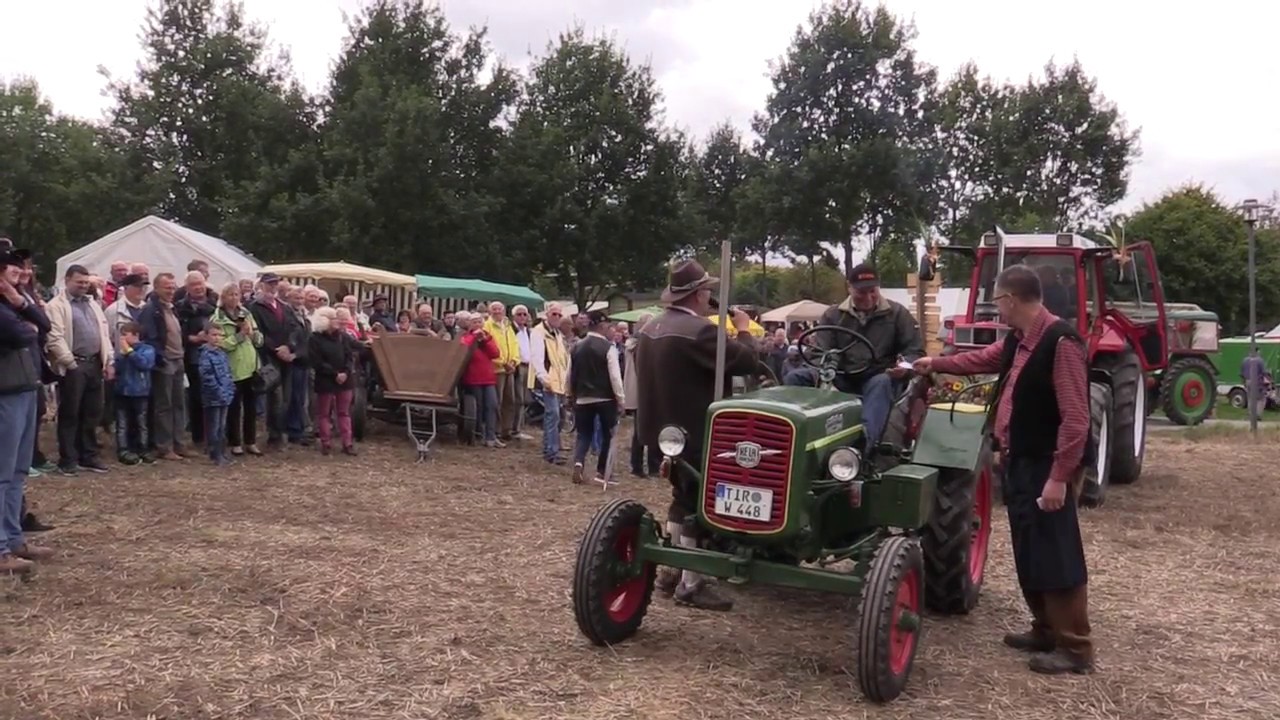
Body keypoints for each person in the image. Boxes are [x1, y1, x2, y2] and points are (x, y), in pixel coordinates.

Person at [913, 264, 1093, 676]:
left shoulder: (1060, 342)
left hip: (1048, 463)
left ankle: (1076, 647)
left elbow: (1077, 419)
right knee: (1030, 550)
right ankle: (1046, 629)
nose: (998, 311)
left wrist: (1059, 478)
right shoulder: (1018, 341)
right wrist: (935, 363)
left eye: (998, 302)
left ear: (1011, 299)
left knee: (1057, 552)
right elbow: (983, 358)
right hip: (1021, 458)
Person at [636, 260, 760, 611]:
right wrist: (744, 328)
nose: (710, 297)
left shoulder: (651, 327)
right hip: (696, 430)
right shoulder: (702, 332)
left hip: (659, 430)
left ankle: (672, 571)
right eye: (707, 291)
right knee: (697, 506)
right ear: (698, 294)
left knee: (682, 497)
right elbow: (748, 361)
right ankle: (691, 583)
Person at [786, 264, 922, 455]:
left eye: (872, 291)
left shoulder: (897, 314)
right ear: (849, 287)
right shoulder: (833, 315)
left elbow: (914, 350)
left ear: (878, 287)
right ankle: (795, 435)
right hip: (840, 376)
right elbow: (819, 352)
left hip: (878, 376)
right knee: (796, 377)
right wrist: (823, 371)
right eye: (861, 292)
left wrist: (904, 366)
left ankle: (864, 445)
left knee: (881, 382)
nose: (868, 298)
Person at [0, 247, 54, 574]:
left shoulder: (13, 304)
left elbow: (42, 325)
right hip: (5, 394)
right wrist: (26, 321)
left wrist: (21, 302)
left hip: (23, 389)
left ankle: (15, 538)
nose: (19, 274)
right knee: (2, 476)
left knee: (18, 473)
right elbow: (23, 334)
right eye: (11, 270)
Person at [46, 264, 114, 475]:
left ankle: (89, 454)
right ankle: (68, 458)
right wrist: (69, 362)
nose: (84, 286)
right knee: (70, 412)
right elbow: (55, 336)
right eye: (79, 282)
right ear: (67, 281)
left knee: (92, 411)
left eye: (86, 283)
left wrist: (108, 360)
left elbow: (104, 333)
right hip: (74, 364)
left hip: (94, 362)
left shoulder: (92, 304)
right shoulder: (56, 306)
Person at [567, 310, 625, 485]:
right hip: (605, 398)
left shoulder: (576, 346)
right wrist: (621, 399)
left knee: (583, 434)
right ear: (602, 326)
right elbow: (615, 376)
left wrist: (570, 394)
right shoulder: (608, 348)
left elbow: (569, 374)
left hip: (582, 397)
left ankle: (578, 462)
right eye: (608, 325)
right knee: (608, 435)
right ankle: (602, 471)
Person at [139, 273, 188, 461]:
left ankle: (179, 443)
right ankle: (164, 446)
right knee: (164, 405)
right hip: (165, 361)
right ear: (157, 288)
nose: (171, 291)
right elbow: (149, 337)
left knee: (179, 404)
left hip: (178, 359)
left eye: (173, 287)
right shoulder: (151, 310)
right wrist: (160, 357)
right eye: (167, 287)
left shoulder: (172, 308)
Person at [212, 282, 263, 457]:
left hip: (250, 366)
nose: (234, 298)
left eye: (236, 294)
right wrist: (239, 337)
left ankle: (251, 441)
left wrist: (254, 335)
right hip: (232, 368)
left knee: (251, 407)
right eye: (230, 294)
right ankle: (235, 442)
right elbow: (219, 343)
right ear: (223, 297)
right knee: (234, 408)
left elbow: (258, 337)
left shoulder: (246, 313)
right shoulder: (217, 318)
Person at [249, 273, 296, 449]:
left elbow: (293, 328)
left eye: (275, 284)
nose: (273, 287)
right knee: (275, 397)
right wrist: (276, 349)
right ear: (262, 285)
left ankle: (279, 432)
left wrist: (288, 346)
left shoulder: (284, 307)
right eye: (269, 284)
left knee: (285, 398)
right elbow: (258, 332)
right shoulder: (255, 307)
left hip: (286, 357)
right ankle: (274, 435)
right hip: (268, 357)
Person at [308, 307, 359, 456]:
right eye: (333, 318)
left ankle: (347, 443)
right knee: (324, 413)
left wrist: (346, 372)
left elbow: (350, 356)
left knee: (344, 412)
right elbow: (316, 361)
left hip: (345, 380)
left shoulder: (342, 337)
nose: (337, 321)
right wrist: (334, 373)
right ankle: (326, 443)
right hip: (326, 380)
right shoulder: (315, 338)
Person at [528, 303, 571, 464]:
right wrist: (545, 380)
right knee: (552, 415)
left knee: (559, 417)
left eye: (560, 315)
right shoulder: (538, 333)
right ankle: (550, 451)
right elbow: (537, 359)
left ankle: (553, 447)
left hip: (559, 382)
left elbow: (562, 359)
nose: (557, 317)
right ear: (547, 314)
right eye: (554, 314)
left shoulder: (557, 334)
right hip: (547, 382)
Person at [177, 271, 216, 446]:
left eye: (201, 283)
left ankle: (215, 433)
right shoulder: (179, 307)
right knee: (196, 396)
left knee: (215, 394)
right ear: (187, 288)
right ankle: (198, 436)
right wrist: (193, 338)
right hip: (193, 356)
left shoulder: (214, 304)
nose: (199, 287)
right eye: (194, 284)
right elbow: (176, 333)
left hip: (216, 355)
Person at [112, 321, 157, 465]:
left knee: (141, 422)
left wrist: (130, 353)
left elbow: (144, 364)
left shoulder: (147, 349)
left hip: (140, 391)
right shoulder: (121, 354)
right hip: (123, 391)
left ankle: (142, 447)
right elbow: (117, 368)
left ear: (136, 335)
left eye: (126, 335)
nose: (122, 339)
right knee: (123, 422)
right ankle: (123, 449)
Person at [459, 312, 503, 448]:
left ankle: (491, 436)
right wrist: (474, 338)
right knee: (477, 408)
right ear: (470, 325)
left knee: (492, 406)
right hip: (472, 378)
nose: (477, 324)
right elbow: (463, 350)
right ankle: (478, 435)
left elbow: (495, 353)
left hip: (488, 379)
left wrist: (485, 340)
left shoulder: (488, 337)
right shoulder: (465, 337)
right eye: (474, 322)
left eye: (479, 321)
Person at [624, 313, 660, 478]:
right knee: (649, 429)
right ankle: (651, 466)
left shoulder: (633, 344)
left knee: (641, 430)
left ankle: (638, 465)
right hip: (646, 391)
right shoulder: (643, 345)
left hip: (638, 391)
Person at [198, 321, 237, 465]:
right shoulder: (205, 355)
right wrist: (218, 391)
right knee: (213, 427)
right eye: (213, 335)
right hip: (212, 397)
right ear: (206, 336)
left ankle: (222, 452)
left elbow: (227, 373)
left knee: (222, 426)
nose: (217, 338)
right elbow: (207, 376)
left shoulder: (222, 353)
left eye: (220, 335)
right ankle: (215, 454)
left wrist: (230, 388)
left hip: (225, 396)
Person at [483, 301, 521, 442]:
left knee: (509, 400)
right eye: (494, 309)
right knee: (496, 401)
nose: (497, 311)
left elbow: (514, 344)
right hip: (497, 369)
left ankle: (507, 429)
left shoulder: (508, 326)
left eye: (499, 309)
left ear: (504, 311)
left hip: (510, 369)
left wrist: (514, 361)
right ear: (490, 311)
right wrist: (502, 363)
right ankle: (496, 430)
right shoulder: (487, 326)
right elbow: (488, 348)